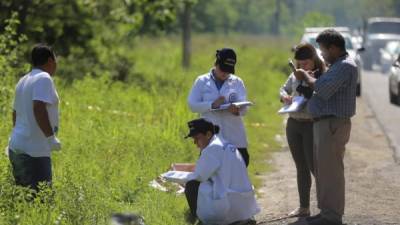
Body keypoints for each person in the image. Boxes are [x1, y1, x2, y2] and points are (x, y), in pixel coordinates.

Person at [293, 29, 358, 225]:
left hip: (332, 124)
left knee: (331, 173)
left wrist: (306, 77)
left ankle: (332, 216)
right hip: (324, 124)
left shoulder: (345, 66)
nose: (321, 54)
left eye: (323, 50)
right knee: (323, 171)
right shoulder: (336, 65)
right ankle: (326, 211)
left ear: (334, 48)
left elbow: (322, 88)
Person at [183, 118, 259, 225]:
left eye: (197, 138)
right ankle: (242, 219)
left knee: (192, 185)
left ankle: (202, 220)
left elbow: (199, 176)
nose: (195, 143)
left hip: (229, 208)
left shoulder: (211, 149)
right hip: (245, 206)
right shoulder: (224, 143)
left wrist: (178, 177)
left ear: (208, 134)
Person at [279, 43, 326, 217]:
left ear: (314, 60)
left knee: (315, 167)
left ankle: (326, 208)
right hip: (293, 123)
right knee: (301, 167)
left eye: (305, 63)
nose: (301, 67)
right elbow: (284, 88)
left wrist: (308, 79)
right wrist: (284, 96)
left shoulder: (321, 76)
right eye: (299, 64)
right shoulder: (295, 75)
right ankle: (304, 207)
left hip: (311, 124)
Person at [7, 44, 61, 191]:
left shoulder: (24, 79)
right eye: (56, 61)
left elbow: (15, 112)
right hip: (35, 151)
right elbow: (38, 107)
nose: (56, 65)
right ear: (50, 60)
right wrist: (50, 138)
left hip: (17, 146)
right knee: (42, 200)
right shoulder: (44, 78)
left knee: (24, 199)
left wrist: (17, 134)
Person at [188, 48, 250, 167]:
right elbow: (192, 105)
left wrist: (238, 110)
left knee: (237, 175)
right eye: (222, 69)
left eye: (228, 71)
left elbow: (245, 107)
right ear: (216, 64)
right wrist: (211, 105)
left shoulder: (237, 82)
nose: (225, 74)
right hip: (211, 138)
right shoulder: (202, 81)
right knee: (211, 175)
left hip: (235, 137)